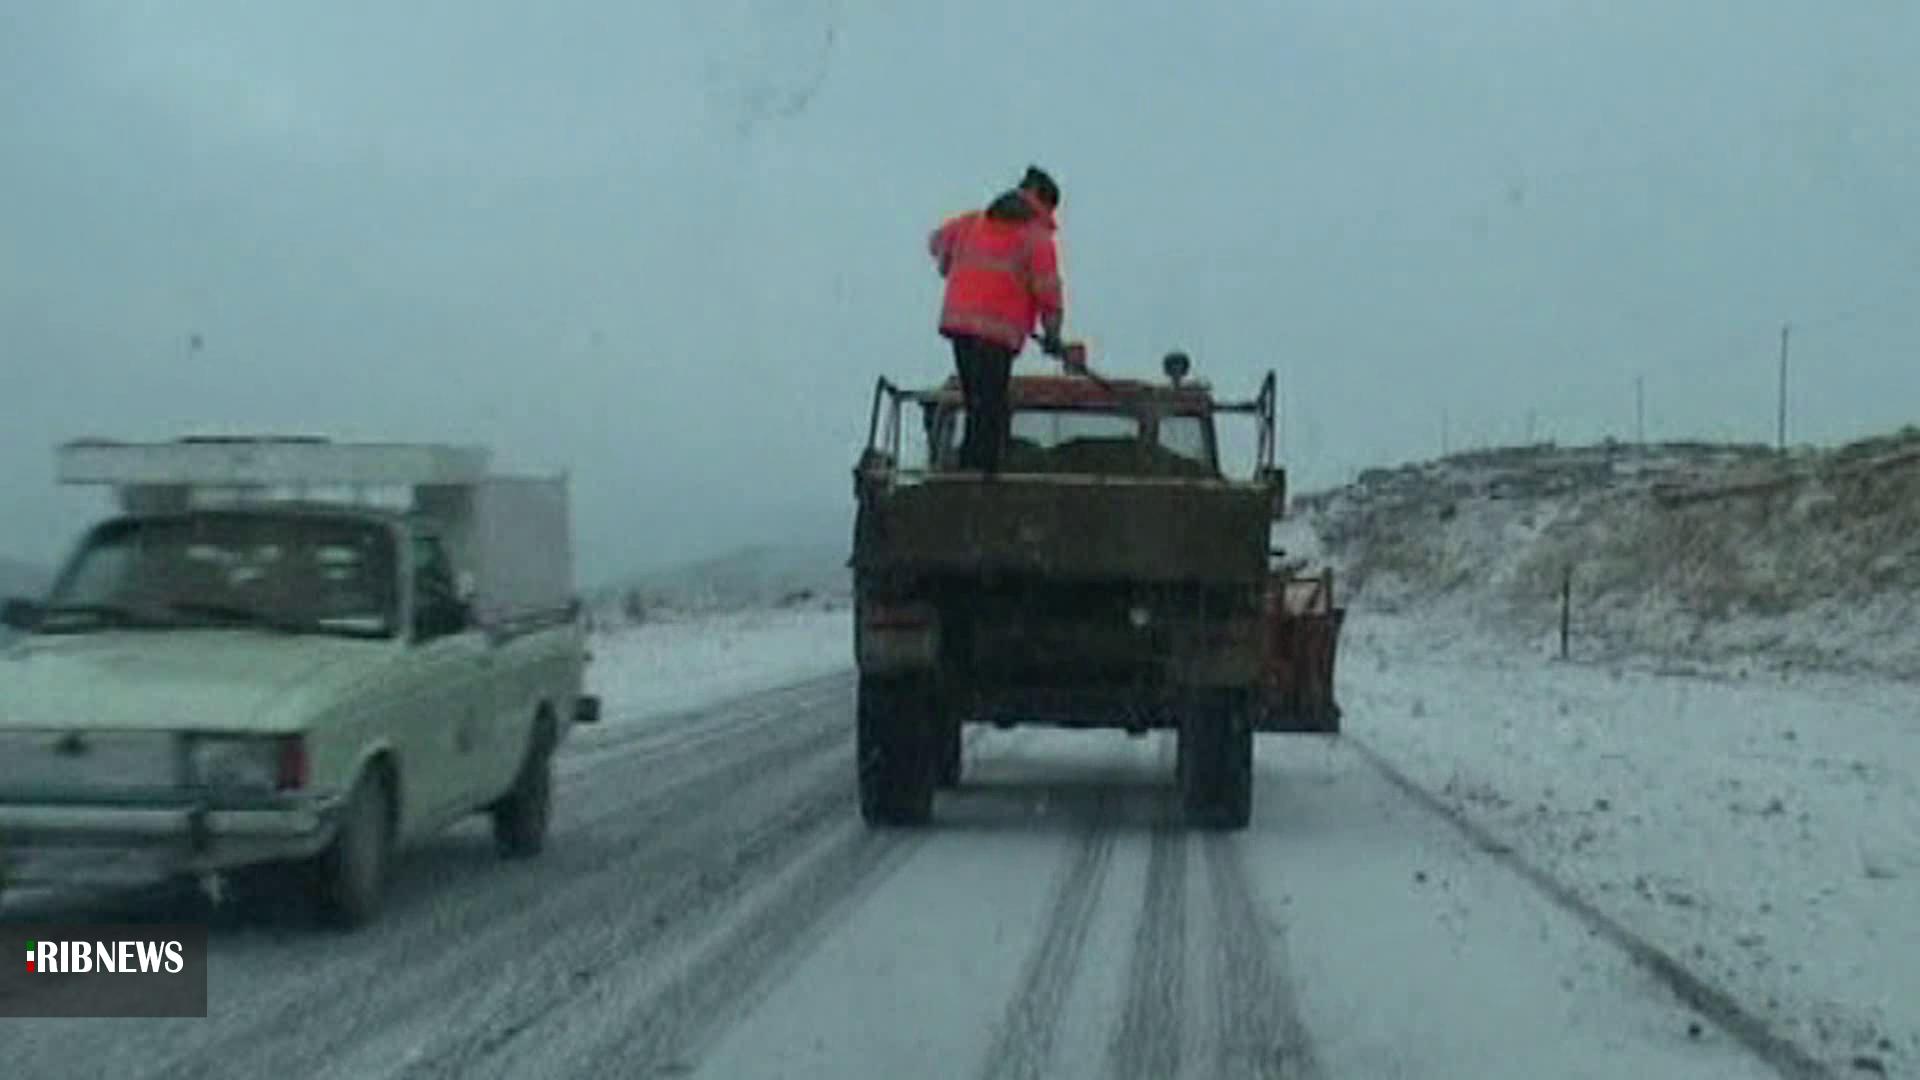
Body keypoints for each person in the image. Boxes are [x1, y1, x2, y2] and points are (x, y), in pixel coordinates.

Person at [928, 165, 1071, 474]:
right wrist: (1053, 336)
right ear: (1045, 203)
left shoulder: (971, 223)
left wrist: (948, 264)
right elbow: (1048, 291)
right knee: (991, 407)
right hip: (997, 333)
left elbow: (936, 241)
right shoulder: (1037, 238)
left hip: (960, 326)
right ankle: (985, 476)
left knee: (975, 402)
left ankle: (968, 471)